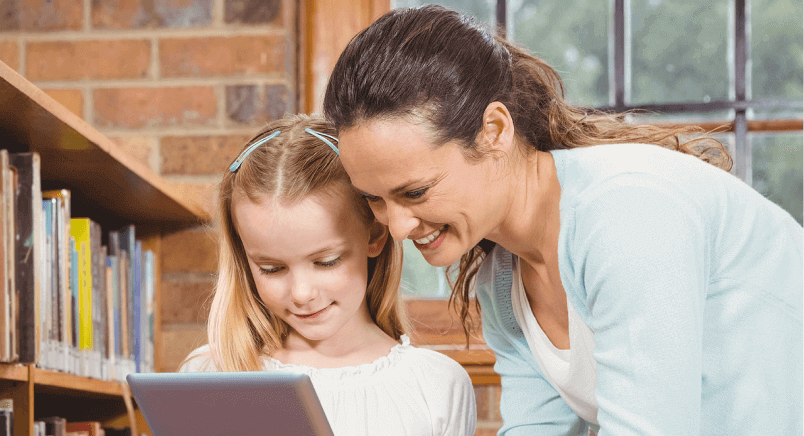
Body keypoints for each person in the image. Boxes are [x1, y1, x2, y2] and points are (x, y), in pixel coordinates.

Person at [322, 5, 804, 436]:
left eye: (415, 192)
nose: (398, 227)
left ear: (494, 130)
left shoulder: (627, 213)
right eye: (375, 200)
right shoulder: (502, 279)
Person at [179, 114, 476, 436]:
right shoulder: (208, 375)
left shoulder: (435, 385)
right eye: (272, 269)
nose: (301, 293)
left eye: (326, 262)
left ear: (375, 235)